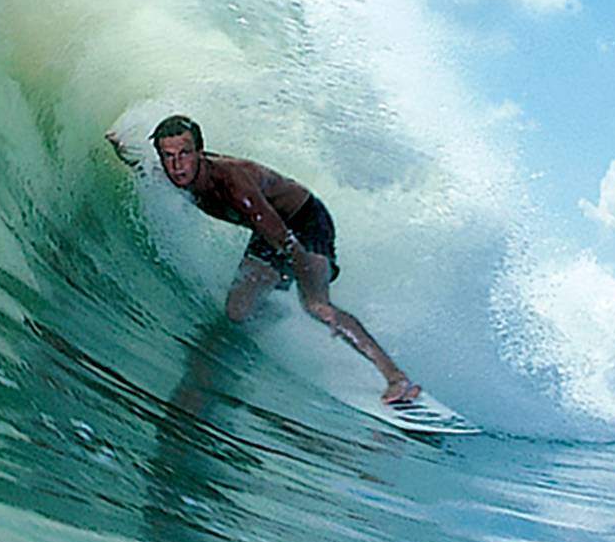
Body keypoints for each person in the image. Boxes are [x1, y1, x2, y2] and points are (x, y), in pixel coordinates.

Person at [108, 114, 420, 405]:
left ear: (200, 153)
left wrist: (302, 275)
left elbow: (283, 238)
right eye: (168, 156)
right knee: (236, 310)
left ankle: (397, 379)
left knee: (316, 305)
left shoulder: (232, 185)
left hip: (304, 222)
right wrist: (121, 149)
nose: (177, 165)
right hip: (271, 230)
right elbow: (144, 168)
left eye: (184, 154)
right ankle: (272, 311)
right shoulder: (178, 173)